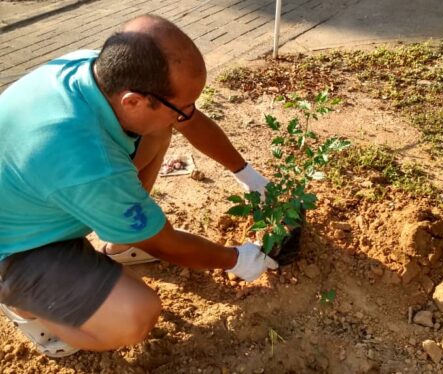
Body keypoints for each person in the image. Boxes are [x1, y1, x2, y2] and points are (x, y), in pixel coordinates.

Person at [0, 14, 278, 357]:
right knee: (136, 314)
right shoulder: (89, 161)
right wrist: (238, 259)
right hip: (17, 250)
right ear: (132, 100)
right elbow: (166, 244)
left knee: (159, 125)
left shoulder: (94, 71)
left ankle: (123, 240)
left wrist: (248, 175)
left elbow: (187, 120)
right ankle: (28, 309)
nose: (187, 114)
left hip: (36, 199)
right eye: (183, 107)